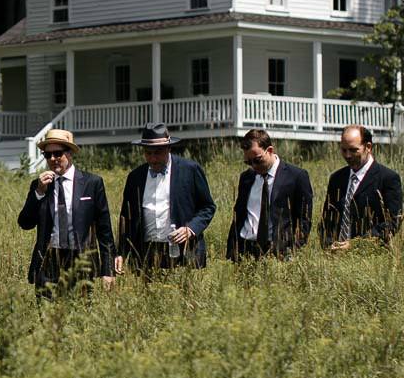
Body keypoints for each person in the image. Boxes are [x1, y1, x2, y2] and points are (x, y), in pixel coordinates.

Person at [17, 128, 115, 294]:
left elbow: (104, 229)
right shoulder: (40, 185)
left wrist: (108, 269)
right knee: (47, 316)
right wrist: (39, 193)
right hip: (48, 260)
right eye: (48, 155)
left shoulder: (92, 183)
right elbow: (25, 223)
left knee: (80, 314)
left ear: (70, 153)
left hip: (81, 260)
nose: (53, 159)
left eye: (58, 153)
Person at [116, 123, 216, 275]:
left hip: (184, 252)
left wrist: (191, 229)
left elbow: (208, 207)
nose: (153, 158)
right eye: (148, 153)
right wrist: (121, 252)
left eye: (158, 153)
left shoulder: (190, 170)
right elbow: (126, 218)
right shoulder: (135, 177)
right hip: (146, 253)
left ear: (169, 148)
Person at [227, 128, 314, 260]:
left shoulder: (296, 176)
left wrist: (293, 251)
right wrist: (232, 251)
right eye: (248, 162)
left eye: (257, 160)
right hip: (245, 251)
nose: (254, 166)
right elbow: (238, 214)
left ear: (270, 150)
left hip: (279, 253)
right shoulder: (246, 178)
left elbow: (304, 219)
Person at [320, 124, 404, 250]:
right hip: (335, 259)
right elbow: (327, 219)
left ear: (368, 147)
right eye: (344, 150)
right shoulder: (336, 179)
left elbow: (392, 222)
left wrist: (356, 245)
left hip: (371, 258)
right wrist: (328, 245)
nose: (348, 155)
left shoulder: (387, 179)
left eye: (353, 150)